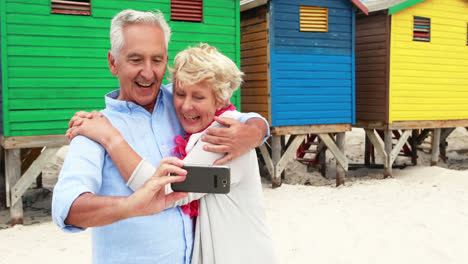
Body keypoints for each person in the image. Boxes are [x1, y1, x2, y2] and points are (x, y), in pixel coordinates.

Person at [52, 9, 269, 264]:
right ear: (113, 62)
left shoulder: (181, 99)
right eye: (135, 60)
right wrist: (131, 206)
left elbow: (234, 115)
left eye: (156, 60)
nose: (148, 72)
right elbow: (67, 208)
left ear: (166, 61)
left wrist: (256, 131)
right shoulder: (94, 129)